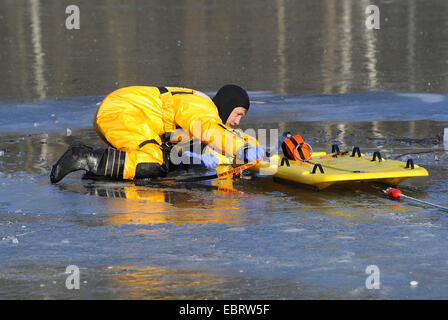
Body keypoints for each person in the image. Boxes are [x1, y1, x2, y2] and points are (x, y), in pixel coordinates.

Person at [50, 84, 265, 183]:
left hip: (125, 111)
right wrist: (242, 150)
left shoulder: (200, 108)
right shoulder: (202, 107)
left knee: (162, 160)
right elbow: (210, 131)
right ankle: (84, 157)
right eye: (238, 114)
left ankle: (101, 169)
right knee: (151, 163)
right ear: (227, 105)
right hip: (126, 111)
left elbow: (213, 135)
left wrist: (255, 146)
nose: (237, 121)